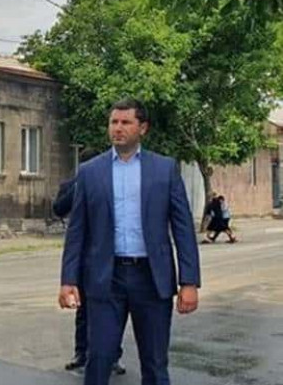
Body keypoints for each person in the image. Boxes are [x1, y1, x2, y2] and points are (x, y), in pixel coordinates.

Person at [59, 98, 201, 385]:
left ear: (142, 128)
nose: (118, 128)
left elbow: (183, 228)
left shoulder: (164, 169)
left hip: (151, 279)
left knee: (155, 364)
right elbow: (77, 231)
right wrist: (68, 280)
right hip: (105, 279)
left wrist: (189, 282)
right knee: (98, 359)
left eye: (126, 122)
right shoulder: (90, 172)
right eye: (114, 122)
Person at [53, 149, 126, 376]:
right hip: (84, 257)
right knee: (84, 309)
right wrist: (79, 185)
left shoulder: (113, 183)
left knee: (113, 309)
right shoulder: (72, 185)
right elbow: (58, 208)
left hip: (109, 256)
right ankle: (81, 353)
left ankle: (112, 355)